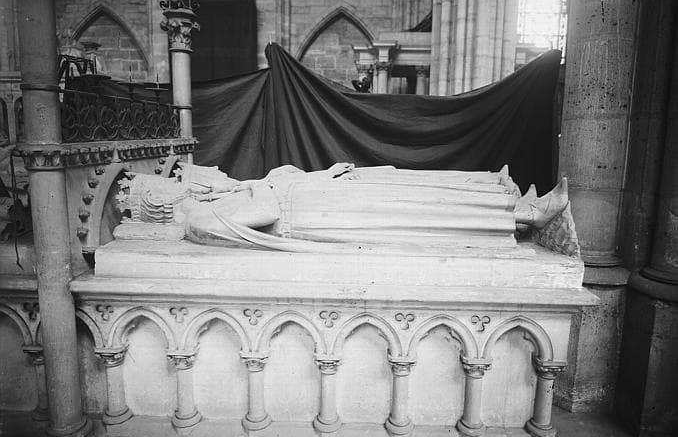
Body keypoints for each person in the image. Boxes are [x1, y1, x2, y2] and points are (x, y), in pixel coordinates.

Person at [118, 163, 570, 254]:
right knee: (407, 210)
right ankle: (519, 217)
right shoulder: (200, 217)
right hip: (313, 214)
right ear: (167, 198)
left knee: (396, 181)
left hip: (316, 197)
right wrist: (268, 183)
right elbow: (265, 213)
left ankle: (499, 194)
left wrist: (318, 174)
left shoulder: (216, 198)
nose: (212, 170)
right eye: (189, 176)